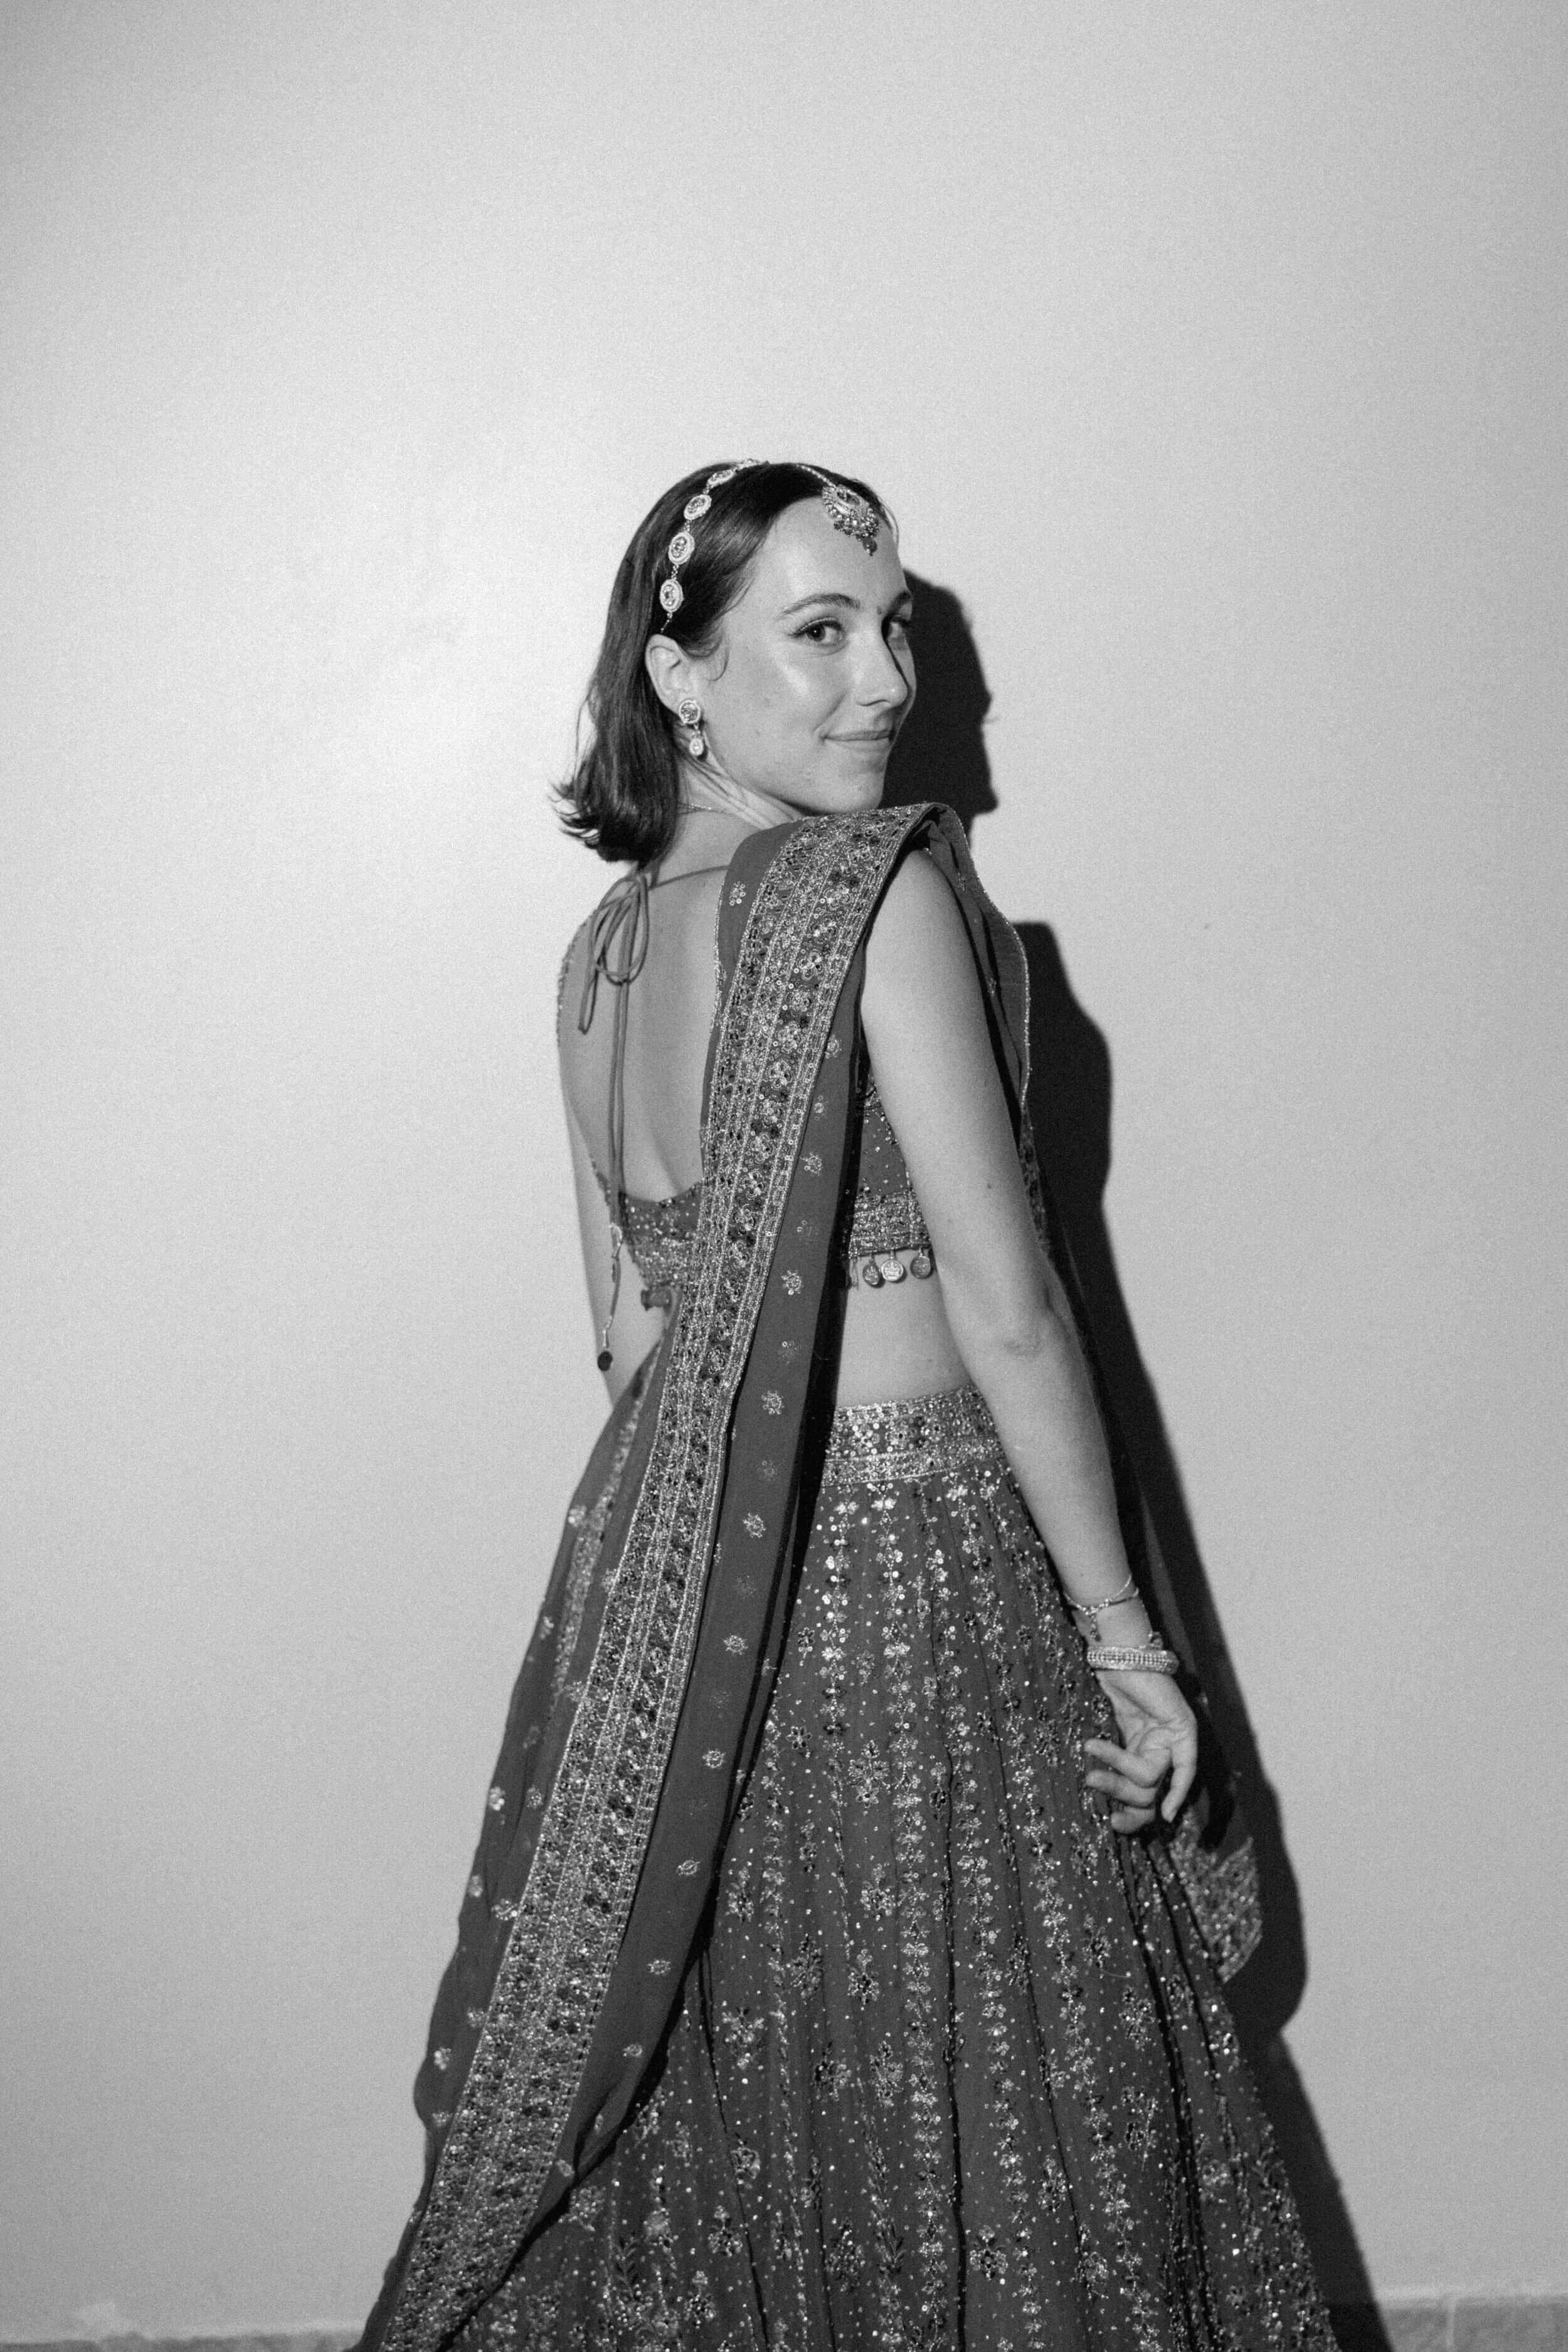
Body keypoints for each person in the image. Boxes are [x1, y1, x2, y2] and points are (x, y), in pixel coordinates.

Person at [356, 462, 1333, 2351]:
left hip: (685, 1604)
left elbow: (632, 1350)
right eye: (818, 631)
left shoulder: (597, 959)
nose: (885, 678)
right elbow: (1009, 1309)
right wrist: (1124, 1641)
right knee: (993, 2077)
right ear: (680, 673)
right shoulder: (857, 894)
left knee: (783, 2080)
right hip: (913, 1572)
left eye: (889, 628)